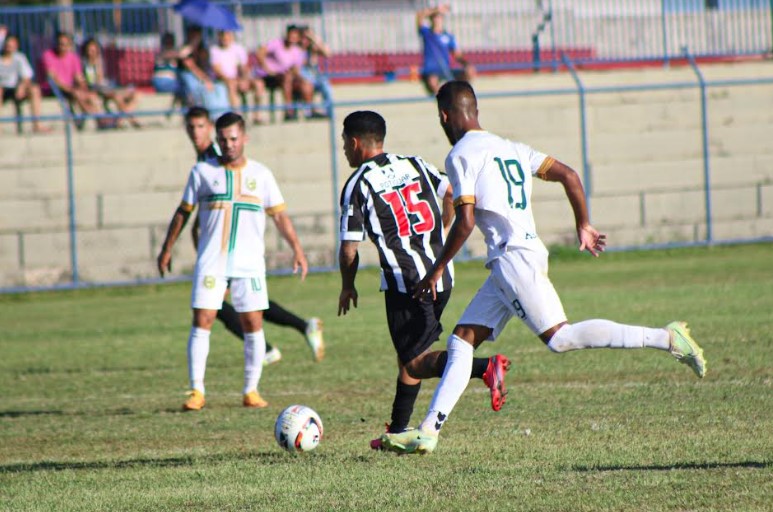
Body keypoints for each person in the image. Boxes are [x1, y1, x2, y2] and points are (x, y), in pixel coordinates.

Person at [380, 81, 708, 455]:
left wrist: (437, 269)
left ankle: (666, 338)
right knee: (462, 339)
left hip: (513, 259)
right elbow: (568, 174)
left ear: (444, 115)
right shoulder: (512, 148)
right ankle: (428, 431)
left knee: (560, 338)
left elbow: (465, 220)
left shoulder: (460, 155)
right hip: (516, 257)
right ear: (475, 109)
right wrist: (583, 223)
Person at [337, 110, 510, 450]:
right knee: (408, 356)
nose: (344, 149)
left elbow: (348, 249)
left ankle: (484, 368)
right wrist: (443, 231)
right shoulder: (415, 164)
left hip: (407, 283)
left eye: (344, 143)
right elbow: (451, 194)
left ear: (355, 143)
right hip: (440, 274)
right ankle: (397, 429)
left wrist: (348, 284)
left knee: (416, 360)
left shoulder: (357, 184)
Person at [157, 111, 309, 411]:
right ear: (217, 140)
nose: (228, 145)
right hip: (211, 261)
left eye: (234, 139)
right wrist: (167, 248)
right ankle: (196, 392)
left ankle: (251, 390)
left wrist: (297, 249)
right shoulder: (202, 172)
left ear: (245, 138)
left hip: (249, 263)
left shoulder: (261, 174)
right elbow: (183, 212)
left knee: (252, 323)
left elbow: (279, 215)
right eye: (223, 140)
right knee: (203, 320)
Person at [184, 106, 325, 365]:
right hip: (218, 253)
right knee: (242, 302)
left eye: (201, 126)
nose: (196, 132)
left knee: (229, 305)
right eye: (191, 127)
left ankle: (270, 348)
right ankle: (301, 327)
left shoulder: (216, 157)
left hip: (234, 249)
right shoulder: (204, 161)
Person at [42, 31, 107, 129]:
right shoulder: (48, 55)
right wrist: (70, 89)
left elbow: (78, 76)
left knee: (92, 97)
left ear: (69, 45)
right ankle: (94, 116)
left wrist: (83, 86)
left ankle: (100, 122)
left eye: (65, 44)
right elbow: (53, 78)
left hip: (70, 88)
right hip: (54, 89)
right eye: (60, 44)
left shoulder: (73, 57)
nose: (62, 47)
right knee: (77, 94)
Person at [253, 24, 313, 121]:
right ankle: (289, 111)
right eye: (291, 34)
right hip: (268, 76)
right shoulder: (277, 43)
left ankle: (310, 111)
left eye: (295, 35)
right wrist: (267, 69)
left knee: (305, 83)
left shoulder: (297, 51)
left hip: (284, 77)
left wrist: (301, 79)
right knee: (287, 78)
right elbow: (260, 52)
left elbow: (295, 69)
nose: (292, 37)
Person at [81, 38, 141, 129]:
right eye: (90, 50)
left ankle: (120, 119)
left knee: (133, 95)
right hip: (95, 89)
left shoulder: (99, 62)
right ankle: (130, 119)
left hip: (104, 88)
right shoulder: (84, 64)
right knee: (116, 97)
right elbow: (90, 81)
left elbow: (100, 77)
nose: (92, 53)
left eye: (94, 50)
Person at [415, 4, 475, 95]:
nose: (437, 19)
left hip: (445, 69)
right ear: (431, 19)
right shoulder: (427, 33)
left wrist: (467, 64)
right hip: (431, 70)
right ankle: (444, 100)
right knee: (433, 81)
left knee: (470, 72)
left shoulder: (448, 36)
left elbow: (457, 54)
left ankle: (460, 96)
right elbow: (419, 16)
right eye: (435, 17)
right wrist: (436, 9)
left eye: (439, 17)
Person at [210, 30, 265, 125]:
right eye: (223, 35)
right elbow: (217, 70)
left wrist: (244, 79)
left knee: (259, 84)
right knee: (231, 85)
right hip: (224, 79)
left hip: (238, 78)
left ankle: (257, 115)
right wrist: (231, 80)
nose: (225, 38)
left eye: (227, 35)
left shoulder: (238, 48)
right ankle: (237, 116)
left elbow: (243, 67)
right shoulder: (214, 50)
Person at [0, 33, 51, 133]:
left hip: (16, 89)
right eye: (8, 45)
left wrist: (22, 86)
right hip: (2, 90)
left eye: (12, 45)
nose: (9, 47)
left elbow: (27, 77)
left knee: (35, 89)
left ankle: (37, 124)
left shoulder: (20, 58)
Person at [178, 26, 229, 118]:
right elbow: (192, 67)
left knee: (220, 88)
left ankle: (222, 114)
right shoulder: (186, 51)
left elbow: (205, 67)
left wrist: (207, 79)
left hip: (204, 77)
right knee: (204, 89)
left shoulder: (203, 51)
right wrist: (206, 80)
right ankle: (212, 116)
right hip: (191, 79)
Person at [299, 26, 332, 118]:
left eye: (308, 38)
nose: (305, 40)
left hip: (315, 76)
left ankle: (329, 112)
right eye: (304, 37)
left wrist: (314, 39)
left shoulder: (313, 49)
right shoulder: (296, 49)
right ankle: (309, 112)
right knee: (307, 83)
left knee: (326, 87)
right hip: (302, 77)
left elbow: (328, 53)